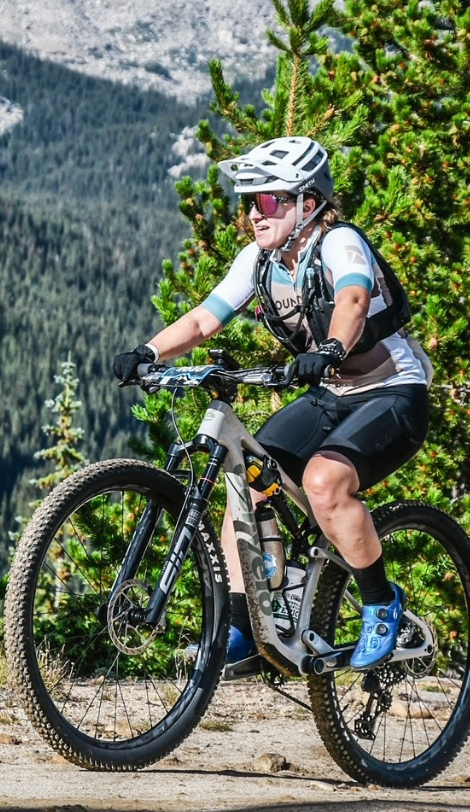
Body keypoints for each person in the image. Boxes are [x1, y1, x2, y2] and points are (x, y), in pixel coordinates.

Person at [113, 136, 430, 672]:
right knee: (249, 480)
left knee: (324, 483)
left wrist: (331, 347)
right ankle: (245, 629)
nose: (253, 215)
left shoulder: (338, 242)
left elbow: (353, 299)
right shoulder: (259, 260)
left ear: (307, 202)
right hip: (331, 392)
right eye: (248, 204)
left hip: (392, 390)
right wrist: (147, 351)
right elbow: (201, 320)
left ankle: (381, 603)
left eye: (265, 201)